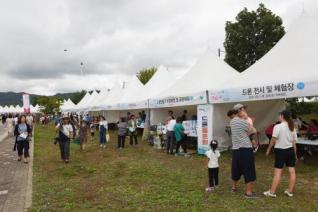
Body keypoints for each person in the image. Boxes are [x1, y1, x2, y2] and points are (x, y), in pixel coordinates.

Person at [264, 110, 298, 198]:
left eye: (280, 115)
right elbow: (294, 143)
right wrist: (295, 154)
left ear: (282, 116)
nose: (279, 116)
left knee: (278, 173)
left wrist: (268, 149)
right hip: (290, 151)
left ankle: (272, 192)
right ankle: (290, 191)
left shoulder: (278, 126)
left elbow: (273, 140)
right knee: (292, 171)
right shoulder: (292, 127)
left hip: (280, 152)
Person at [230, 107, 256, 198]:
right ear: (239, 111)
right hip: (246, 149)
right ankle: (248, 192)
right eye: (243, 110)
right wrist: (249, 119)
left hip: (236, 150)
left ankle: (233, 188)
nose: (245, 111)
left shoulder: (232, 121)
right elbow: (253, 131)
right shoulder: (244, 122)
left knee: (235, 168)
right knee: (248, 169)